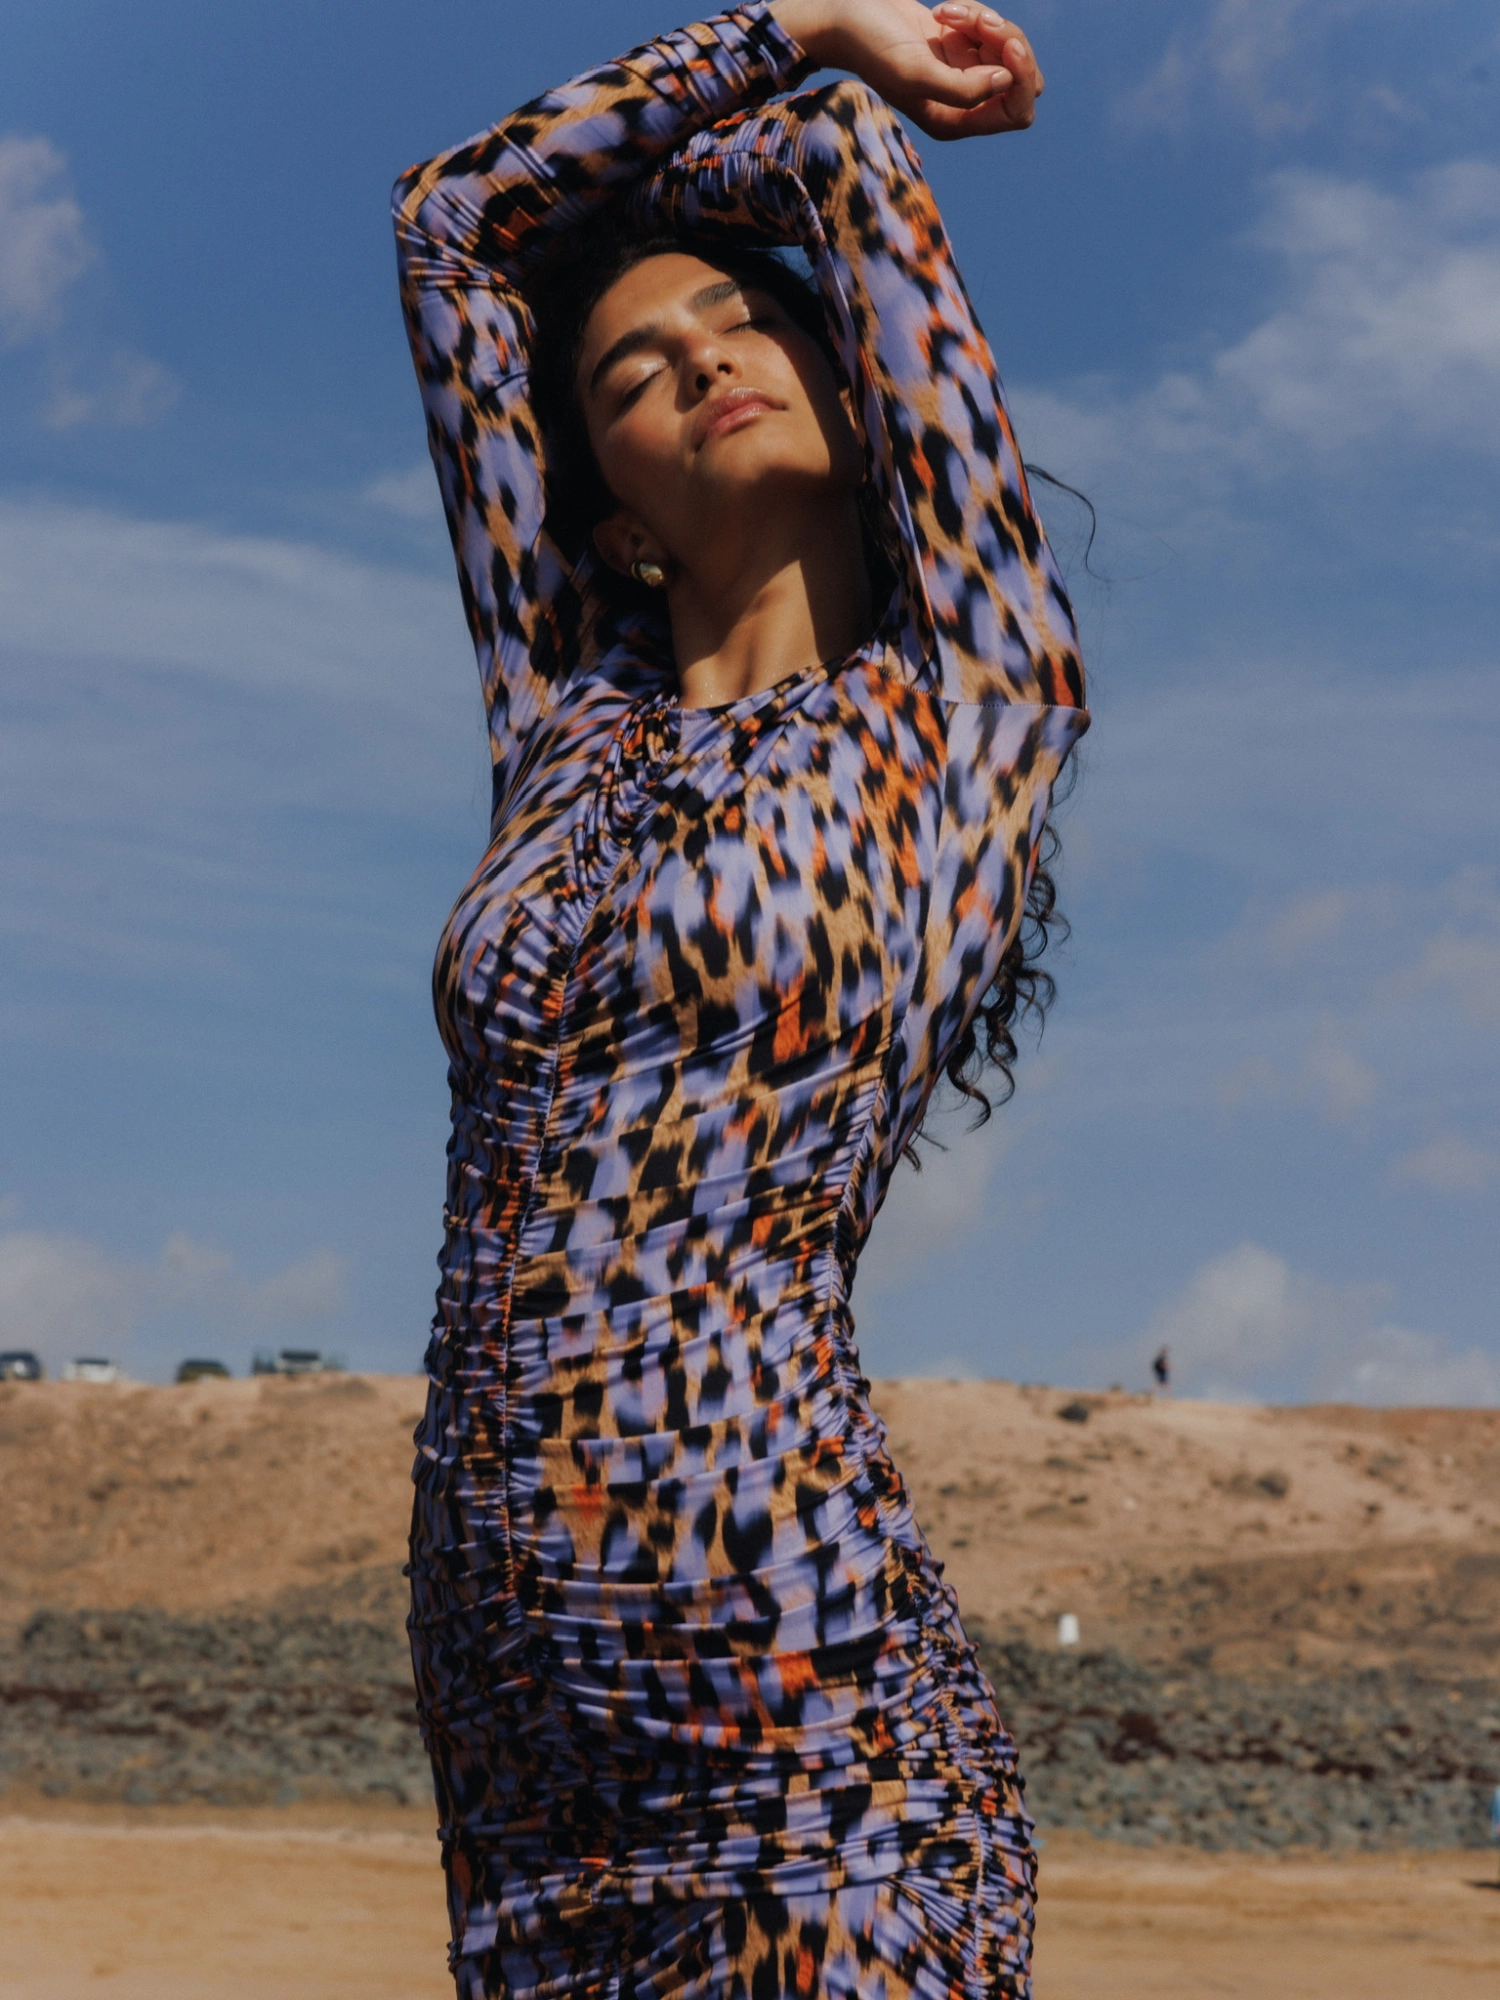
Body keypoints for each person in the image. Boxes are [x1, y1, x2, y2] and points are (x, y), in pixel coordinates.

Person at [392, 4, 1087, 1995]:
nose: (701, 359)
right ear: (606, 506)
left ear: (859, 392)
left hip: (796, 1703)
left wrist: (831, 62)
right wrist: (787, 27)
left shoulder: (968, 709)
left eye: (745, 323)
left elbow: (848, 165)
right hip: (512, 1717)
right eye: (633, 370)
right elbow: (453, 227)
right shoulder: (565, 721)